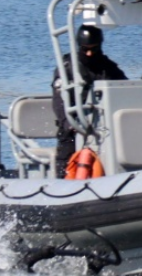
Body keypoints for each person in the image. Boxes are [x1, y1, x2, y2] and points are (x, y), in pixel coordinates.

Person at [51, 25, 126, 177]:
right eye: (85, 49)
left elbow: (125, 90)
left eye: (94, 49)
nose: (90, 53)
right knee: (66, 153)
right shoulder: (67, 69)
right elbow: (59, 101)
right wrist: (69, 123)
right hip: (74, 128)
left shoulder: (109, 68)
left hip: (106, 129)